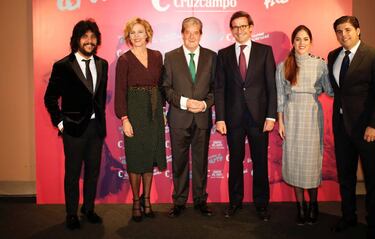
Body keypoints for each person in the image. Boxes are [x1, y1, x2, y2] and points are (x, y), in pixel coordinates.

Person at [327, 16, 375, 238]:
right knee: (346, 177)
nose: (343, 34)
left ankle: (374, 224)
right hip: (342, 128)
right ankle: (348, 217)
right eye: (338, 31)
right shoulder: (333, 56)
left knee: (373, 178)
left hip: (367, 130)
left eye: (347, 29)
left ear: (358, 30)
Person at [44, 19, 108, 230]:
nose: (89, 41)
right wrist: (61, 124)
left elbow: (97, 98)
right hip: (73, 129)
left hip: (96, 129)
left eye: (92, 37)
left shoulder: (102, 64)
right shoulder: (62, 66)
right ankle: (71, 213)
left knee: (93, 172)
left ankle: (88, 209)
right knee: (72, 173)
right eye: (85, 37)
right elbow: (50, 98)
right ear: (76, 40)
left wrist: (100, 123)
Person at [215, 11, 277, 221]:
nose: (239, 30)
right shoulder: (223, 55)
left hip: (259, 117)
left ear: (251, 27)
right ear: (231, 30)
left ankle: (262, 204)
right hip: (233, 118)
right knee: (235, 162)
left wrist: (271, 116)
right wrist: (220, 118)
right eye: (235, 27)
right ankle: (235, 202)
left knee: (260, 162)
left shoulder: (265, 51)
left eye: (243, 26)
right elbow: (220, 89)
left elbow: (271, 86)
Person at [276, 25, 333, 225]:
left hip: (312, 116)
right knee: (295, 163)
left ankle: (313, 204)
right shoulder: (283, 66)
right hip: (292, 117)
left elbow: (331, 91)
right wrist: (281, 123)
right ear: (293, 42)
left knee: (311, 163)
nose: (301, 43)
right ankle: (301, 207)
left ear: (311, 42)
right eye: (298, 39)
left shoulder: (320, 64)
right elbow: (280, 98)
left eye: (305, 39)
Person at [162, 17, 216, 218]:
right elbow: (166, 88)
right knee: (179, 162)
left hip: (202, 118)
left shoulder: (212, 57)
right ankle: (179, 201)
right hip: (179, 118)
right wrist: (185, 102)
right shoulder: (170, 57)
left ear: (201, 34)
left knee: (201, 162)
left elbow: (215, 88)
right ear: (182, 33)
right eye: (188, 32)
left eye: (196, 32)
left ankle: (201, 200)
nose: (192, 36)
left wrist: (204, 104)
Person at [114, 17, 166, 222]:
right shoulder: (124, 60)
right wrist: (125, 119)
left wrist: (162, 109)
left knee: (150, 158)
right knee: (136, 158)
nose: (136, 36)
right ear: (128, 37)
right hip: (134, 113)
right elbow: (120, 92)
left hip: (153, 113)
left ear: (147, 34)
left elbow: (161, 86)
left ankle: (147, 200)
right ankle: (136, 201)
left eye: (140, 31)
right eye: (132, 33)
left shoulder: (157, 56)